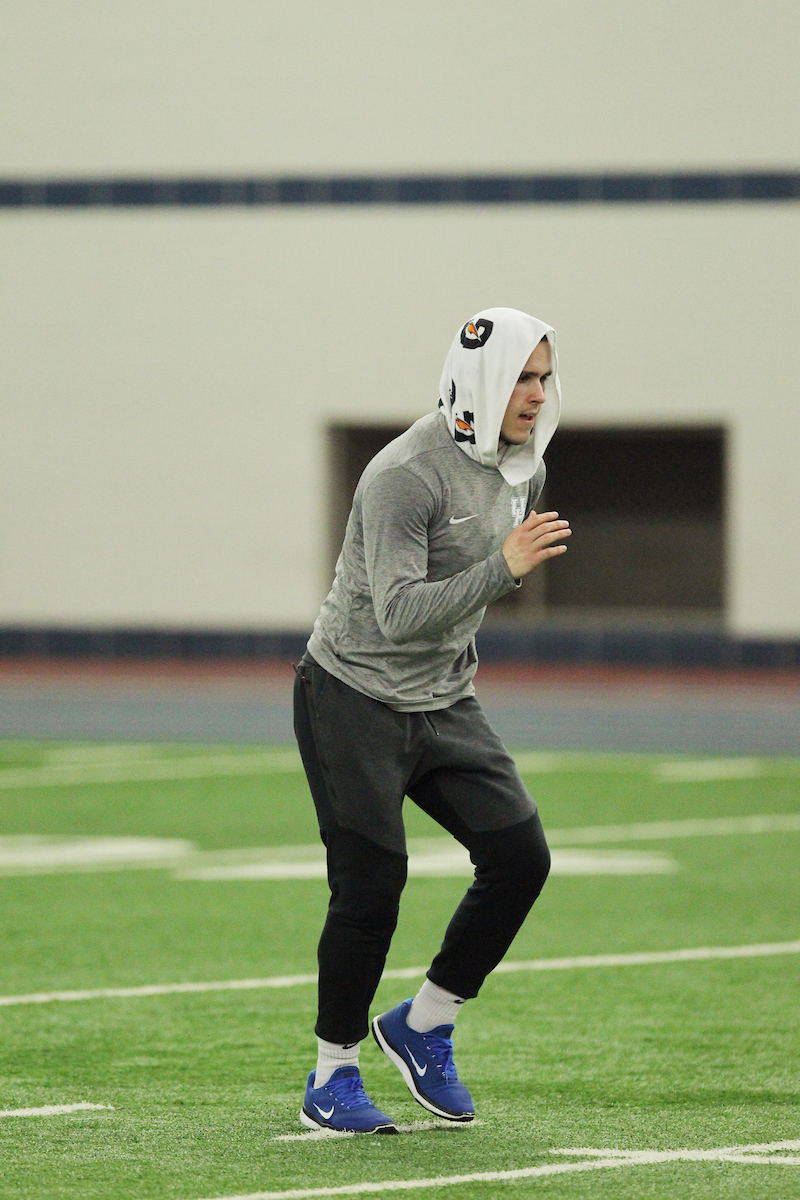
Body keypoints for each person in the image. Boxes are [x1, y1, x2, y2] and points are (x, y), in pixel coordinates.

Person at [293, 307, 570, 1134]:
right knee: (372, 885)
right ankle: (332, 1076)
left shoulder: (525, 468)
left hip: (445, 696)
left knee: (520, 857)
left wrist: (495, 575)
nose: (537, 394)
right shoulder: (403, 475)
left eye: (544, 377)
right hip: (353, 695)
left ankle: (425, 1024)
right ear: (481, 380)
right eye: (521, 378)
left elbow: (459, 604)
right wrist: (503, 568)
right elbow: (400, 613)